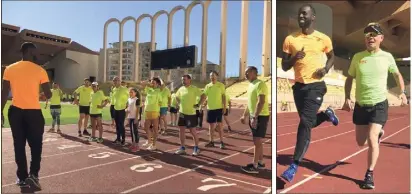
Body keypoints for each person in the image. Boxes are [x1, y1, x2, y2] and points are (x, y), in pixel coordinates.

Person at [342, 22, 408, 189]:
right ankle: (378, 135)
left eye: (373, 34)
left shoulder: (387, 57)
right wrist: (346, 97)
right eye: (367, 35)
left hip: (379, 103)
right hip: (361, 105)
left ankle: (369, 174)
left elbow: (397, 74)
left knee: (371, 139)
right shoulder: (358, 57)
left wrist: (402, 92)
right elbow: (350, 78)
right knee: (360, 142)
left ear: (381, 38)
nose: (370, 37)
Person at [280, 4, 340, 182]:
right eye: (299, 14)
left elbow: (332, 57)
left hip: (316, 85)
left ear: (313, 17)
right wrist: (294, 58)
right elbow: (284, 66)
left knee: (304, 123)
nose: (301, 16)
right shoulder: (290, 39)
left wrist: (326, 69)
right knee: (309, 122)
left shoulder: (323, 39)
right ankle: (327, 114)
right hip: (299, 87)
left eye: (304, 14)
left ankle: (294, 165)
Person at [1, 42, 52, 188]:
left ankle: (22, 177)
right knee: (36, 146)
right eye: (35, 51)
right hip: (33, 113)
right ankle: (34, 175)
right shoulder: (40, 70)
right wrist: (46, 93)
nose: (38, 54)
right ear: (29, 51)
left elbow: (4, 93)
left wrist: (0, 111)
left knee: (19, 145)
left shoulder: (9, 69)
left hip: (15, 112)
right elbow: (48, 94)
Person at [239, 66, 270, 174]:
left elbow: (261, 101)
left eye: (247, 72)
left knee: (256, 141)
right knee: (258, 141)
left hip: (260, 116)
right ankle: (260, 162)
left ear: (253, 72)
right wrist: (244, 115)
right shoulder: (250, 85)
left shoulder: (260, 84)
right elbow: (250, 103)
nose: (245, 75)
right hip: (255, 116)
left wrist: (255, 117)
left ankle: (255, 165)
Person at [174, 74, 202, 155]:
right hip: (182, 113)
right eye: (182, 80)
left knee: (192, 131)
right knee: (181, 130)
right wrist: (179, 103)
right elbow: (176, 96)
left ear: (190, 80)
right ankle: (182, 148)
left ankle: (196, 148)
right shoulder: (181, 89)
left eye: (185, 79)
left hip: (191, 114)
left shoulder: (194, 89)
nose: (183, 81)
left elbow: (203, 95)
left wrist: (199, 104)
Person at [199, 71, 227, 149]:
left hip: (218, 108)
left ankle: (222, 142)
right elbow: (204, 96)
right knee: (211, 127)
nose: (212, 77)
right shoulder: (208, 86)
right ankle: (211, 142)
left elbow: (223, 97)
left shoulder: (221, 85)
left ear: (217, 76)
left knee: (220, 126)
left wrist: (224, 107)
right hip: (210, 109)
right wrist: (201, 105)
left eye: (213, 75)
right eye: (210, 76)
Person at [139, 78, 162, 150]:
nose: (152, 84)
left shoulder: (158, 91)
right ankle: (149, 141)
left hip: (154, 111)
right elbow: (142, 83)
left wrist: (157, 110)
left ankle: (154, 145)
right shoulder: (149, 90)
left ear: (157, 84)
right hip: (147, 111)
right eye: (151, 83)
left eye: (154, 83)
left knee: (155, 129)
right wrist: (148, 81)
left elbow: (160, 102)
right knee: (146, 127)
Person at [111, 77, 129, 146]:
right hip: (116, 109)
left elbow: (129, 97)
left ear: (119, 81)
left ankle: (123, 139)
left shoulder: (124, 89)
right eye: (113, 81)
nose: (114, 82)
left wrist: (127, 106)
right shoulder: (114, 89)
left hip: (122, 109)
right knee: (117, 125)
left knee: (121, 125)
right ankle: (118, 139)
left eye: (115, 80)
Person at [126, 87, 141, 152]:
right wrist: (126, 111)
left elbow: (138, 109)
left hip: (134, 117)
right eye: (130, 92)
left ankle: (137, 146)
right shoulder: (129, 99)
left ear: (135, 93)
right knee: (131, 132)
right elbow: (127, 108)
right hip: (130, 117)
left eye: (132, 92)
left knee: (135, 131)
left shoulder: (137, 99)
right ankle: (133, 144)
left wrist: (136, 118)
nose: (130, 93)